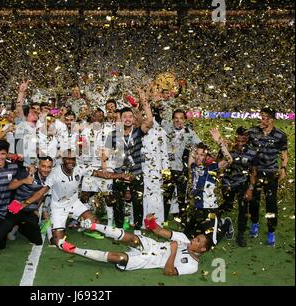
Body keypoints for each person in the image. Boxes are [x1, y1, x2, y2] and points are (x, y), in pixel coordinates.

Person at [20, 149, 132, 249]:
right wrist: (24, 204)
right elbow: (40, 193)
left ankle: (77, 222)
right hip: (58, 207)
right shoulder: (54, 173)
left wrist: (121, 175)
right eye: (68, 159)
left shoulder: (80, 168)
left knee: (95, 223)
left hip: (74, 203)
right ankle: (50, 226)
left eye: (73, 159)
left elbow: (103, 175)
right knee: (58, 242)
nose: (71, 161)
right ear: (63, 159)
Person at [59, 214, 215, 276]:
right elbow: (160, 232)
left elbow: (168, 272)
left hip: (150, 259)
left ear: (202, 249)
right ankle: (92, 226)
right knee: (131, 238)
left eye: (198, 241)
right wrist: (150, 223)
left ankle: (73, 249)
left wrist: (173, 252)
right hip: (152, 245)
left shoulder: (192, 266)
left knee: (119, 258)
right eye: (196, 237)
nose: (193, 239)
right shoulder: (184, 238)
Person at [0, 156, 54, 266]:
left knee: (37, 241)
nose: (46, 169)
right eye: (43, 166)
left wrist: (35, 208)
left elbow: (40, 195)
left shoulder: (50, 179)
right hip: (16, 205)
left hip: (28, 209)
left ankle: (17, 227)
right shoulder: (27, 172)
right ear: (38, 166)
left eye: (49, 167)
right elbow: (10, 186)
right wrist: (24, 180)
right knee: (8, 222)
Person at [105, 90, 153, 232]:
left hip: (136, 172)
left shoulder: (138, 131)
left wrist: (144, 101)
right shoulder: (112, 135)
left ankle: (138, 228)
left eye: (130, 116)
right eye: (124, 116)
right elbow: (105, 155)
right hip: (119, 174)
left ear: (133, 119)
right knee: (118, 202)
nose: (127, 118)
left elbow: (149, 121)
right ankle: (119, 229)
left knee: (138, 202)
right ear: (119, 118)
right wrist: (105, 170)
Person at [246, 108, 288, 246]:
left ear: (272, 120)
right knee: (254, 200)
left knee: (271, 203)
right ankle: (255, 223)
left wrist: (283, 168)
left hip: (271, 173)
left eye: (265, 118)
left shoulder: (280, 135)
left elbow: (284, 154)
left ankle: (271, 231)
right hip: (255, 172)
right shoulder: (252, 132)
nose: (262, 120)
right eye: (261, 117)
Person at [184, 129, 233, 237]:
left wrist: (219, 141)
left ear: (206, 157)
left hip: (209, 208)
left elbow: (229, 160)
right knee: (188, 236)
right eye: (197, 154)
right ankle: (216, 222)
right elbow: (191, 156)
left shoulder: (212, 168)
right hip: (196, 208)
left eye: (202, 155)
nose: (198, 156)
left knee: (211, 239)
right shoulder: (192, 167)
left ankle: (226, 223)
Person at [219, 127, 257, 247]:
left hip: (242, 183)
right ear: (235, 138)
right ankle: (214, 224)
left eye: (243, 141)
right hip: (228, 182)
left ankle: (240, 234)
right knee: (226, 205)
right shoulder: (228, 149)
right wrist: (222, 149)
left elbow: (253, 172)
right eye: (238, 140)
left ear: (247, 140)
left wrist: (250, 189)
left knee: (243, 208)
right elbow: (218, 164)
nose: (240, 143)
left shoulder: (252, 152)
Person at [162, 109, 201, 221]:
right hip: (167, 169)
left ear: (185, 120)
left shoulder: (189, 133)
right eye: (176, 118)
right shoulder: (167, 127)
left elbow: (200, 145)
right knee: (166, 197)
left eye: (181, 118)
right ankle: (164, 222)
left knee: (181, 198)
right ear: (173, 119)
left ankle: (183, 223)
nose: (178, 121)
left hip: (181, 170)